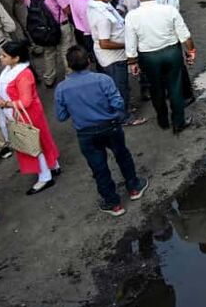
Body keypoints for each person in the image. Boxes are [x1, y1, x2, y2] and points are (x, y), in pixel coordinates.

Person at [55, 46, 148, 217]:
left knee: (99, 168)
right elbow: (118, 103)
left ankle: (113, 204)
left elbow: (61, 116)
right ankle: (134, 187)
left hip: (86, 133)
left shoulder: (62, 88)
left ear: (69, 65)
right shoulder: (103, 80)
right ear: (89, 61)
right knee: (122, 155)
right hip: (110, 125)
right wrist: (112, 114)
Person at [0, 41, 60, 195]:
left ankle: (45, 176)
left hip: (26, 115)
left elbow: (25, 101)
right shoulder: (13, 70)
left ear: (15, 58)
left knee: (33, 145)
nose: (0, 57)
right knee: (41, 140)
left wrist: (5, 103)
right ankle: (53, 165)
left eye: (4, 55)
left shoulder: (23, 74)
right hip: (26, 114)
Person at [125, 0, 195, 133]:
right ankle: (179, 122)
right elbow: (185, 35)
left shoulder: (132, 16)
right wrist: (191, 51)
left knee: (156, 88)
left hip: (149, 57)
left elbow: (130, 43)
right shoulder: (169, 10)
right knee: (175, 87)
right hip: (171, 52)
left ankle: (163, 120)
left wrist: (132, 62)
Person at [20, 0, 74, 87]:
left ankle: (49, 77)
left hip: (40, 26)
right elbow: (67, 9)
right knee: (66, 51)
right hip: (60, 25)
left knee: (48, 52)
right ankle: (70, 77)